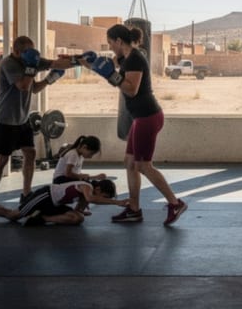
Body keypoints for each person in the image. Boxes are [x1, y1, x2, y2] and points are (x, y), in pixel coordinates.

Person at [79, 24, 187, 225]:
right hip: (140, 118)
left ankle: (175, 203)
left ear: (119, 41)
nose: (110, 47)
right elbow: (110, 65)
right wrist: (90, 64)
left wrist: (110, 75)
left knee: (143, 165)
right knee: (130, 163)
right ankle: (134, 209)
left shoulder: (135, 58)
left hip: (148, 117)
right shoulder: (124, 58)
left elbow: (131, 90)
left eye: (111, 43)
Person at [0, 36, 75, 206]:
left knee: (30, 153)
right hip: (5, 119)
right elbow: (23, 86)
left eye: (32, 51)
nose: (31, 54)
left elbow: (37, 85)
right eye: (27, 52)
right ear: (16, 51)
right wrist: (32, 65)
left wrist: (80, 61)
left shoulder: (31, 61)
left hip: (22, 118)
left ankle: (26, 193)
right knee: (2, 159)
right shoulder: (8, 64)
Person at [0, 179, 128, 226]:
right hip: (45, 196)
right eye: (104, 196)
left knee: (78, 218)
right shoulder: (87, 187)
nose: (103, 199)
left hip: (53, 205)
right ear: (98, 189)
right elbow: (91, 199)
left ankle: (41, 218)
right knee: (14, 215)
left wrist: (82, 211)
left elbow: (79, 209)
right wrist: (117, 203)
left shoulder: (87, 193)